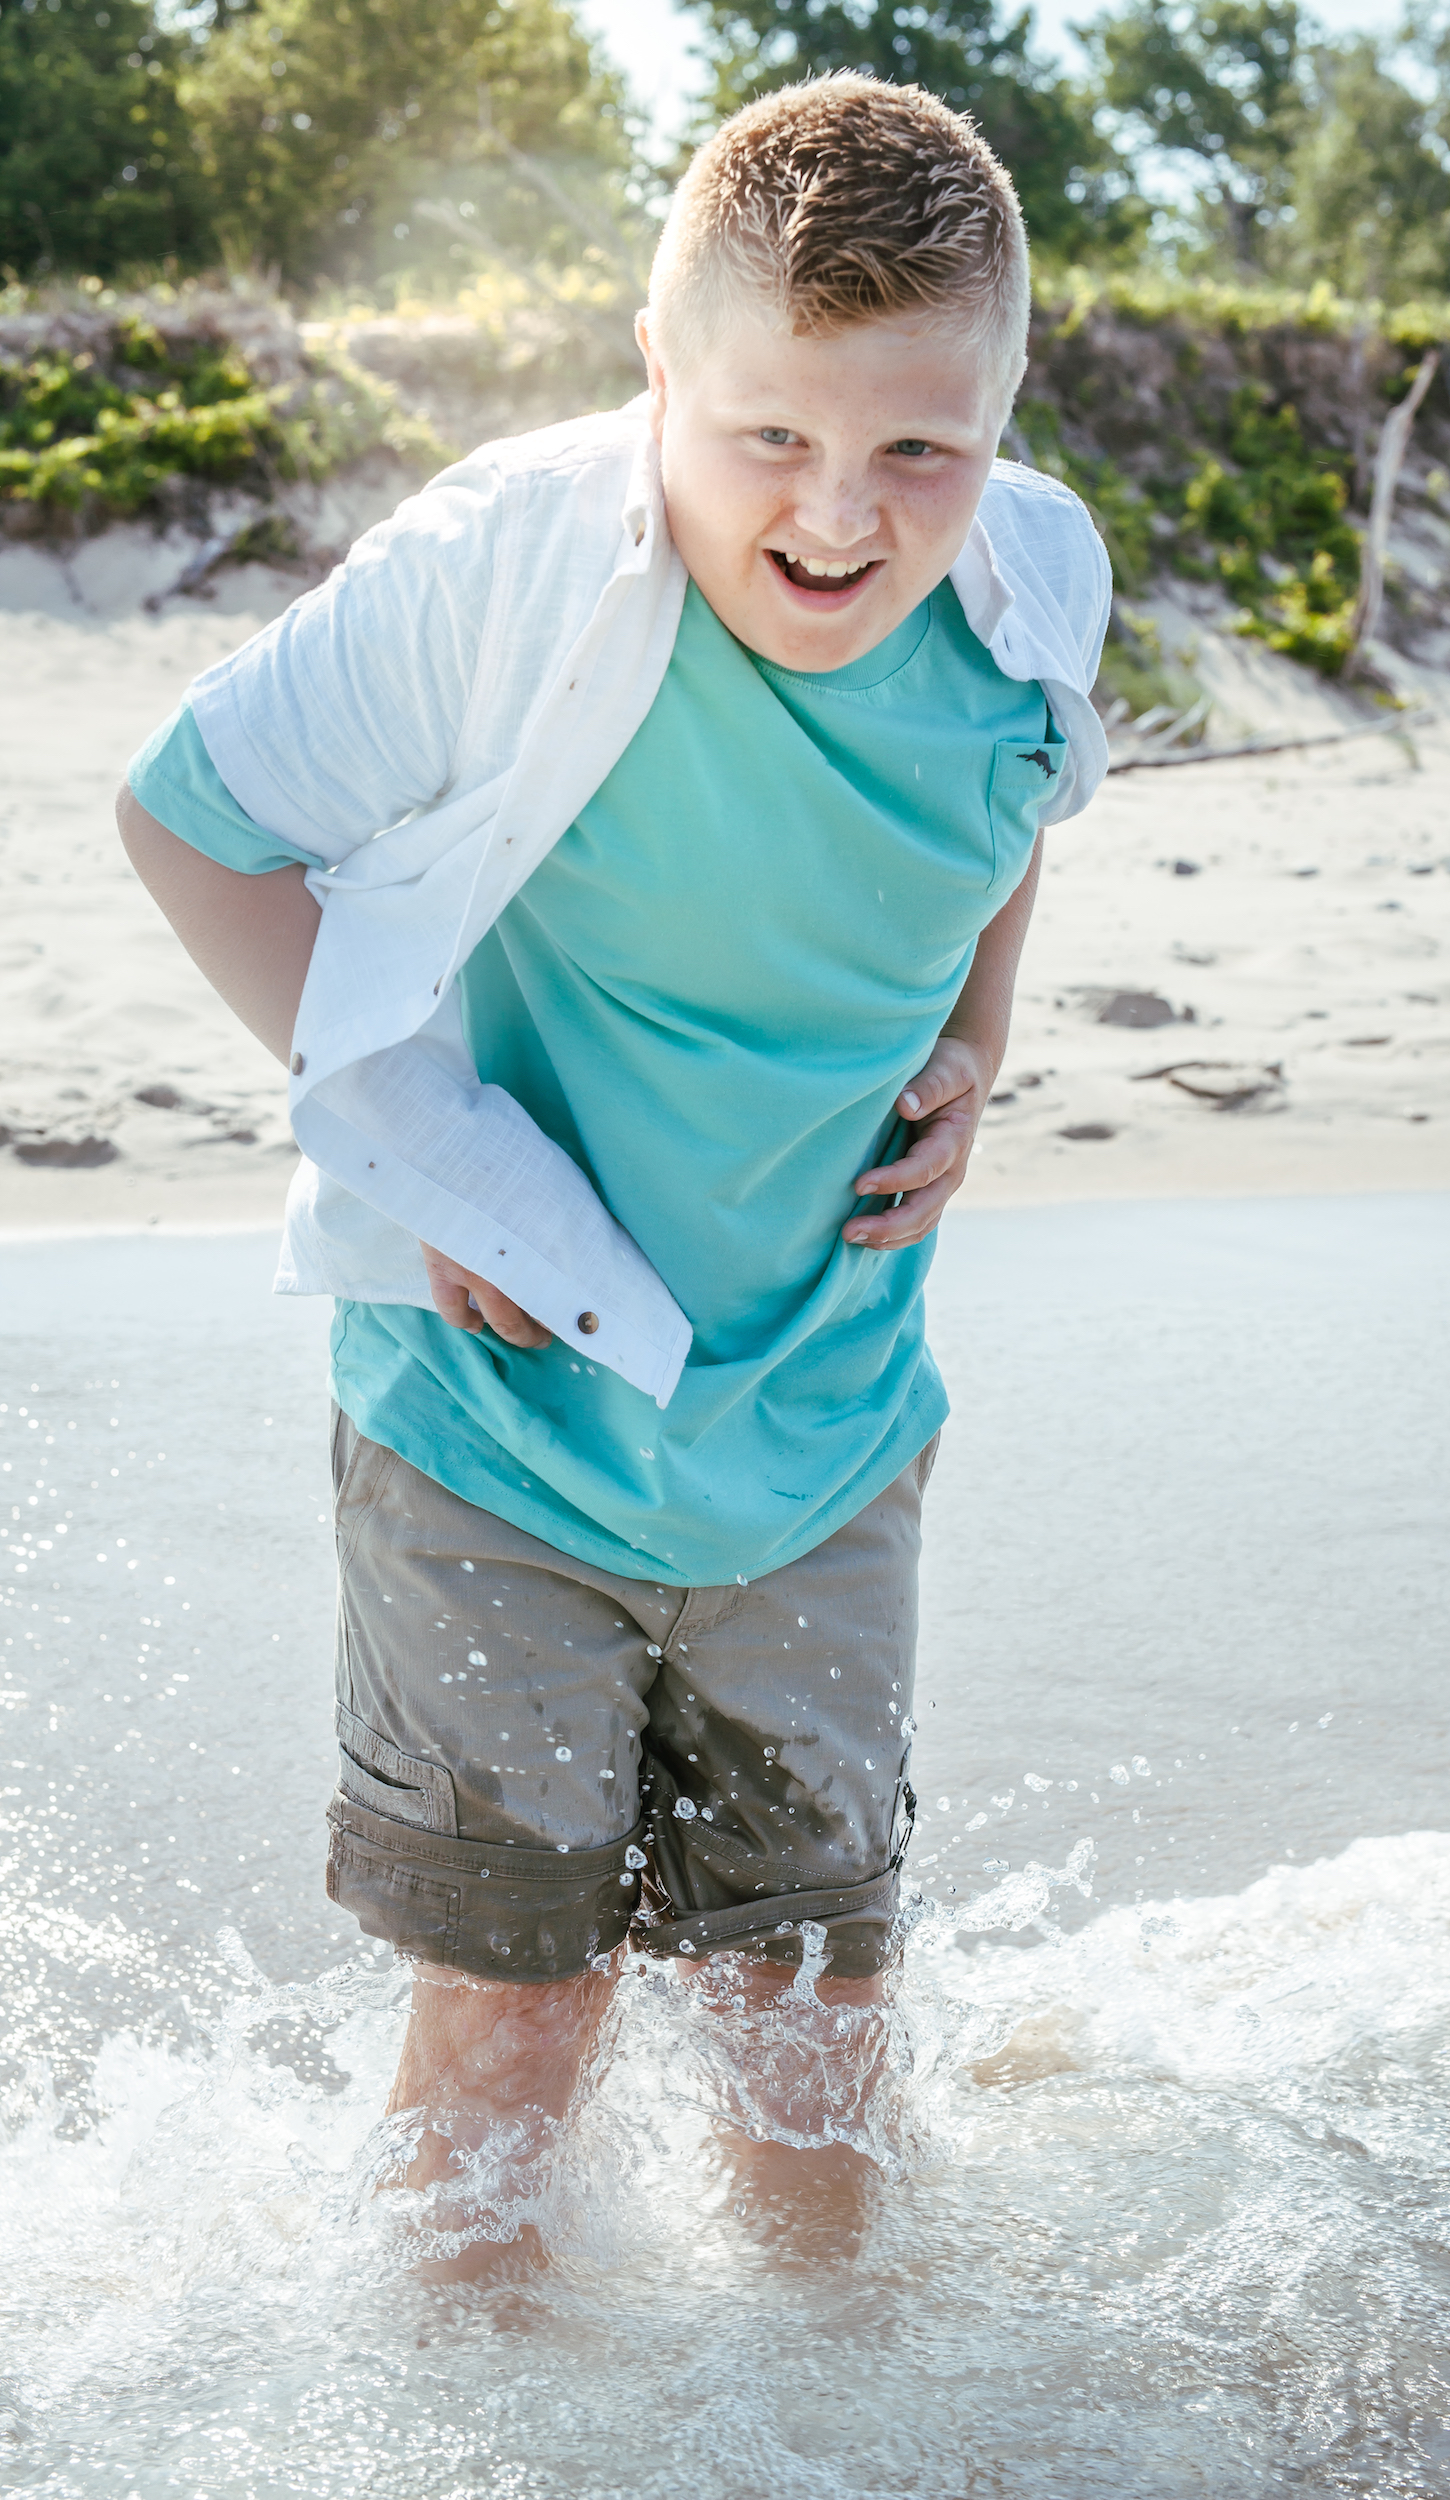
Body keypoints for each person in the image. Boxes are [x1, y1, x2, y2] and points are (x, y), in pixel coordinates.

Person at [118, 71, 1110, 2264]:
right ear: (659, 371)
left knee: (813, 2050)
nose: (841, 514)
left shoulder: (1037, 577)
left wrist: (980, 1034)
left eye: (917, 449)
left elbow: (1025, 796)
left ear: (1004, 420)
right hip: (497, 1443)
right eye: (770, 435)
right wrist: (428, 1159)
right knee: (516, 2022)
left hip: (825, 1434)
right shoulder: (500, 569)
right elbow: (184, 810)